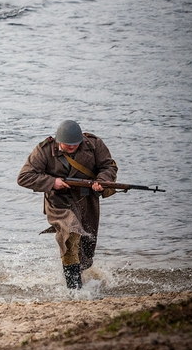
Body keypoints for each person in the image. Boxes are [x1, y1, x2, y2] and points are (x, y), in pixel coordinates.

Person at [17, 120, 118, 289]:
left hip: (87, 200)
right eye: (67, 144)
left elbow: (108, 166)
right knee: (70, 234)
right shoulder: (44, 150)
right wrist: (51, 182)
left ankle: (82, 278)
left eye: (75, 144)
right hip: (58, 202)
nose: (71, 147)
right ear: (58, 141)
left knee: (87, 246)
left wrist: (102, 181)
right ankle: (74, 289)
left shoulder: (94, 144)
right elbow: (24, 177)